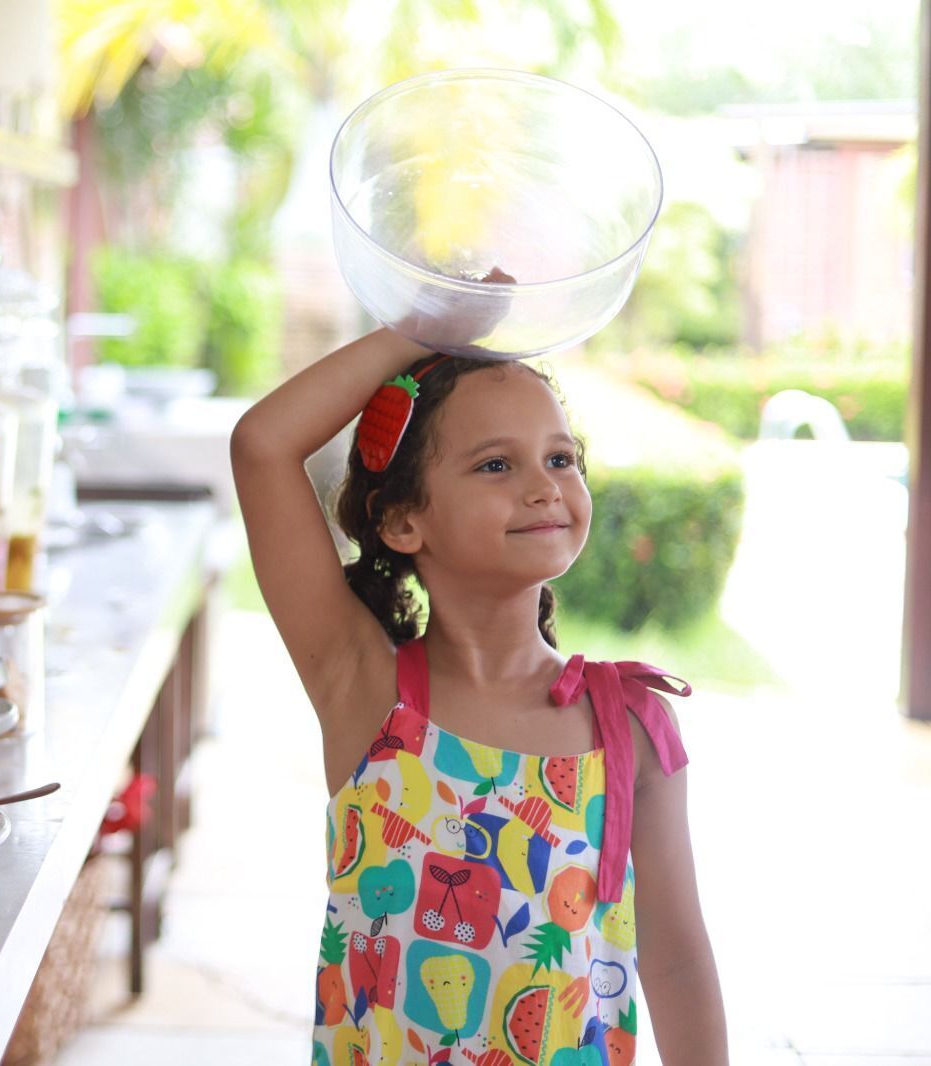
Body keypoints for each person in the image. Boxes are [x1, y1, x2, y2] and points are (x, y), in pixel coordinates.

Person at [230, 328, 728, 1064]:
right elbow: (262, 446)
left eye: (561, 458)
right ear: (403, 520)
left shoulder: (629, 724)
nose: (544, 486)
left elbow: (678, 958)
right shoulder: (365, 690)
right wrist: (429, 324)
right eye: (496, 464)